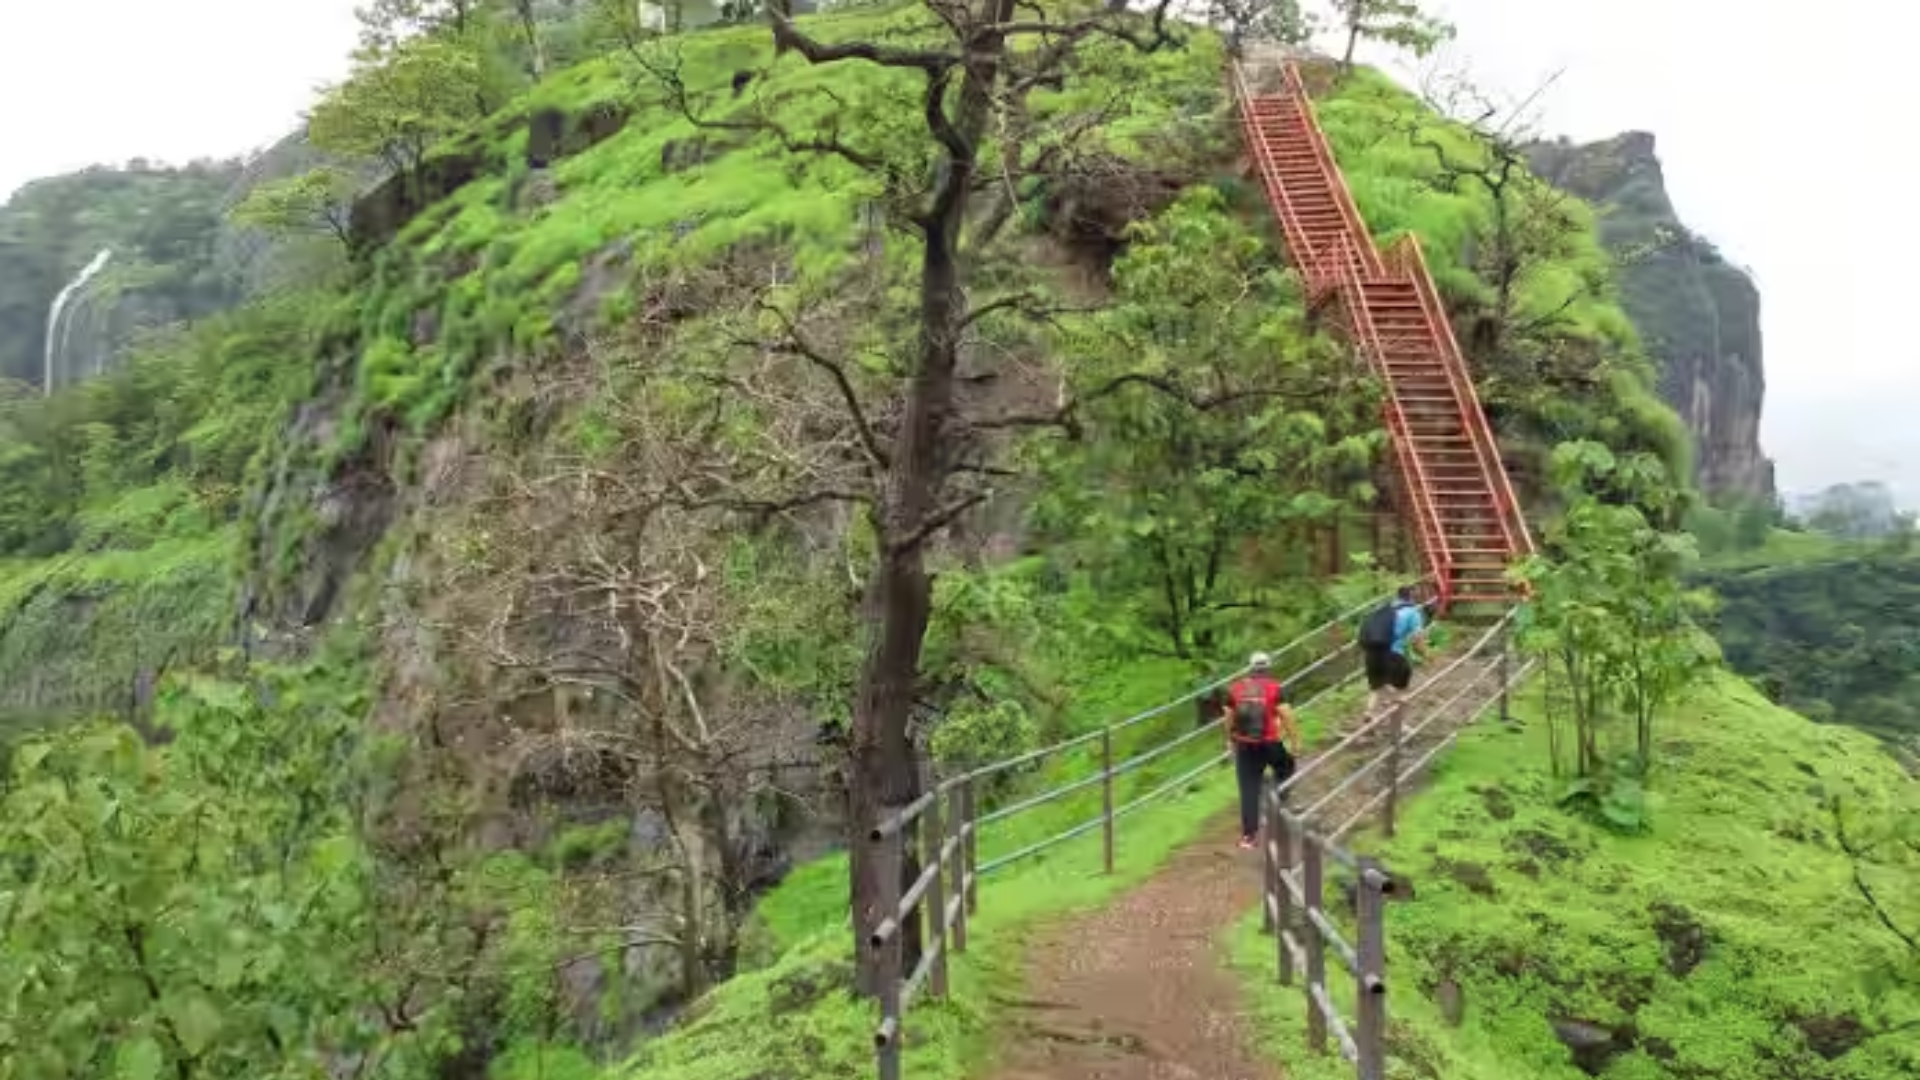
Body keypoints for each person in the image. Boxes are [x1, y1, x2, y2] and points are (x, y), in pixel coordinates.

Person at [1222, 651, 1301, 850]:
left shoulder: (1235, 689)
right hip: (1269, 743)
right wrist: (1295, 741)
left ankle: (1249, 837)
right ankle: (1278, 801)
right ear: (1268, 667)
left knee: (1248, 789)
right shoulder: (1274, 687)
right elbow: (1286, 715)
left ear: (1250, 668)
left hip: (1245, 745)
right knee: (1286, 766)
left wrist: (1229, 741)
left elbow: (1228, 717)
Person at [1359, 585, 1427, 717]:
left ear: (1397, 596)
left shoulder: (1384, 610)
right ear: (1412, 597)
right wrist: (1425, 655)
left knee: (1377, 686)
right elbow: (1417, 639)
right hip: (1394, 655)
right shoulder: (1413, 613)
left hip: (1372, 652)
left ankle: (1369, 714)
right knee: (1400, 690)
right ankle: (1397, 726)